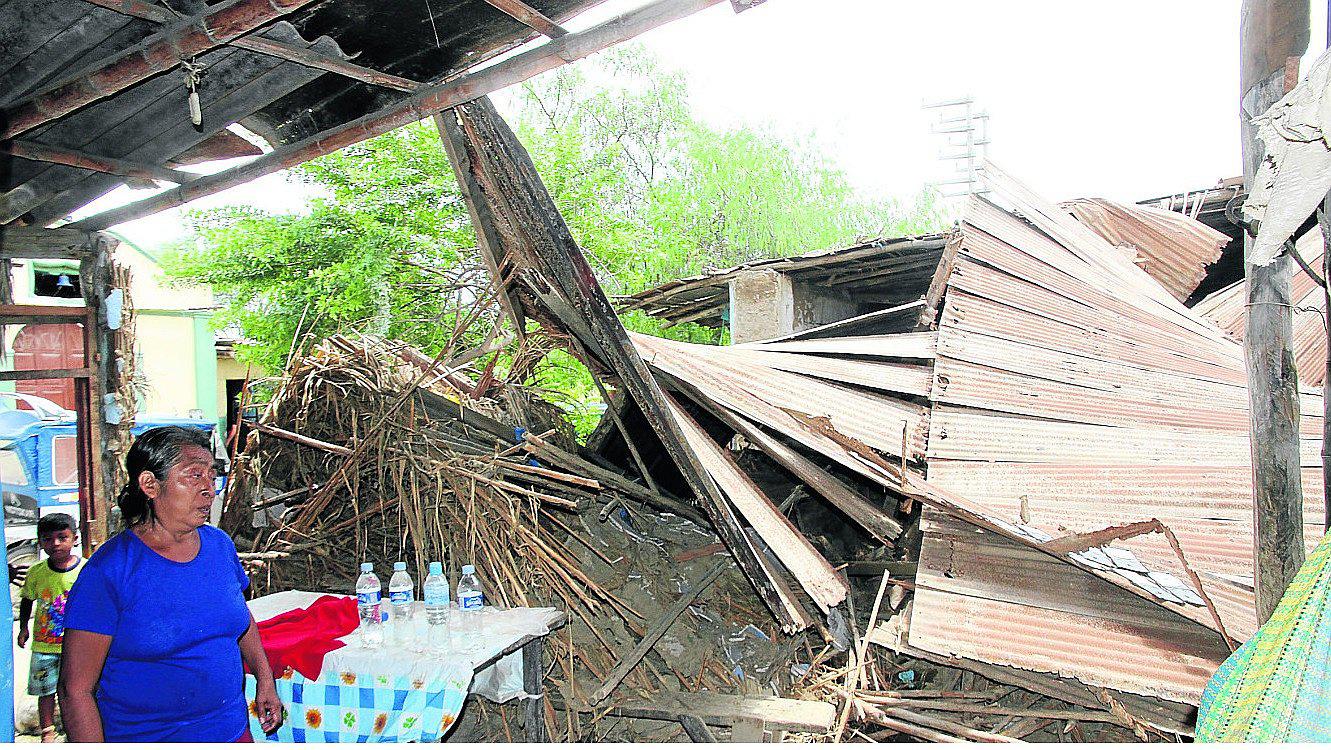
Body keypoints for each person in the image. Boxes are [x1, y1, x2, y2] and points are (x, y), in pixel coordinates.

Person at [59, 426, 283, 742]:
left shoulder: (219, 546)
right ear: (150, 484)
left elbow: (238, 616)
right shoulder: (110, 571)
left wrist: (264, 678)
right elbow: (75, 690)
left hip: (230, 732)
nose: (210, 489)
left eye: (211, 476)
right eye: (194, 476)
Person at [17, 513, 84, 743]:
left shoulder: (85, 570)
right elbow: (27, 599)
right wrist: (24, 628)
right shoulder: (36, 573)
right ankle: (48, 731)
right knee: (44, 690)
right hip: (44, 646)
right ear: (40, 542)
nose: (55, 544)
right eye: (47, 538)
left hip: (76, 645)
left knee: (74, 689)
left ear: (74, 538)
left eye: (61, 537)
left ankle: (73, 727)